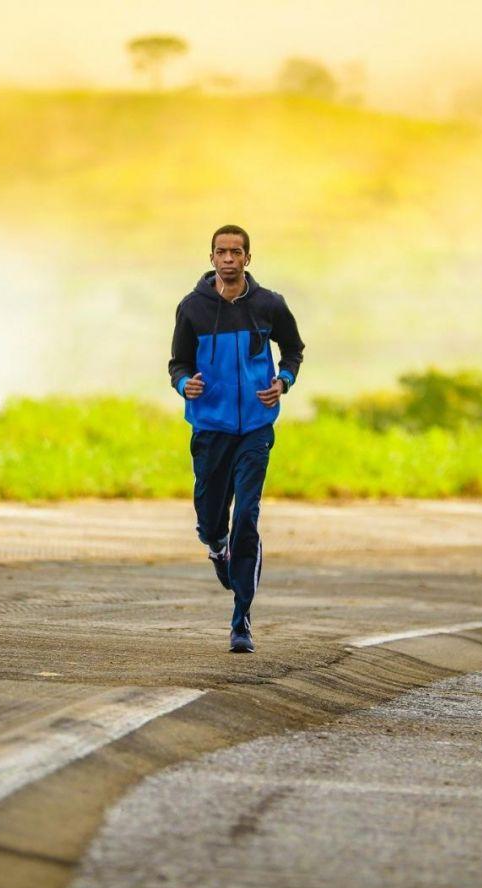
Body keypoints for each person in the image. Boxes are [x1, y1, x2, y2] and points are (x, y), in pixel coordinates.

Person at [168, 224, 306, 653]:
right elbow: (177, 363)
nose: (228, 259)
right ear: (211, 258)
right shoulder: (191, 308)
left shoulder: (269, 305)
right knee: (212, 521)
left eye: (236, 252)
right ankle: (217, 546)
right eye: (221, 252)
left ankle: (241, 618)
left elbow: (294, 350)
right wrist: (183, 383)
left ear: (248, 258)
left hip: (255, 429)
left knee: (247, 515)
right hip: (210, 428)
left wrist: (283, 381)